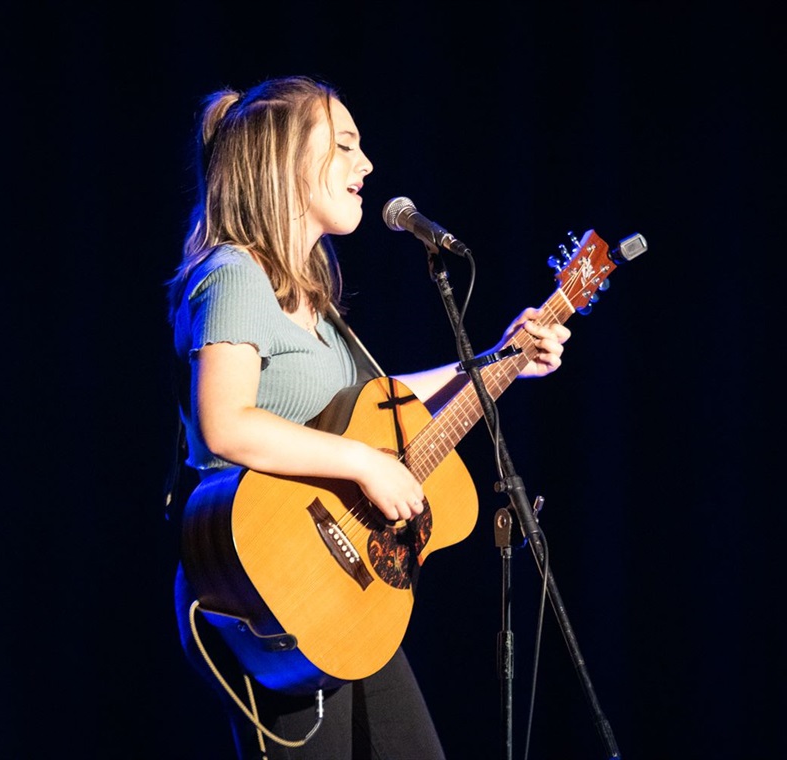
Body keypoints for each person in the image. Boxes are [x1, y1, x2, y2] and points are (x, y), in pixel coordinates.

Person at [165, 75, 571, 760]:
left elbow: (387, 406)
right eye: (346, 145)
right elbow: (225, 424)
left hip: (342, 590)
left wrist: (502, 360)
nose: (368, 165)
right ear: (286, 158)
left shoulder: (313, 302)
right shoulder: (234, 273)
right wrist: (361, 463)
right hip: (269, 588)